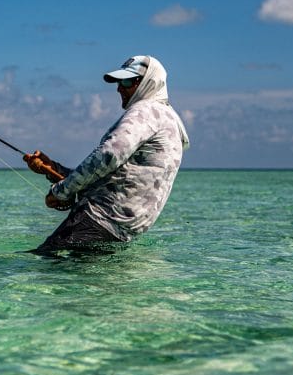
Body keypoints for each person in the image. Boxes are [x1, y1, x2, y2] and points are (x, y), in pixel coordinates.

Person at [25, 55, 190, 254]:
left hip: (99, 218)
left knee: (39, 266)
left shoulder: (145, 111)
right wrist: (52, 168)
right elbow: (117, 174)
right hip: (119, 230)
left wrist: (61, 191)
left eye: (128, 81)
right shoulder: (170, 119)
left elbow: (109, 155)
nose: (119, 88)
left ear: (149, 82)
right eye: (119, 81)